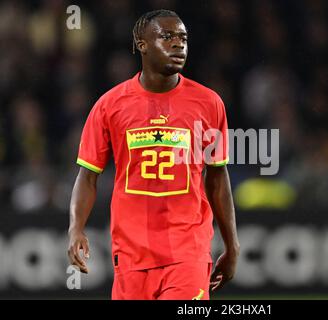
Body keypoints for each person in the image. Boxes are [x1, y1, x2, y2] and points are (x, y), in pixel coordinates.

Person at [67, 9, 240, 300]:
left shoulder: (209, 104)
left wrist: (232, 244)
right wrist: (75, 228)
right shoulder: (110, 106)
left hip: (188, 252)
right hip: (131, 257)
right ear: (142, 44)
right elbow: (87, 176)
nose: (178, 44)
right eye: (167, 36)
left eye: (183, 38)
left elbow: (217, 178)